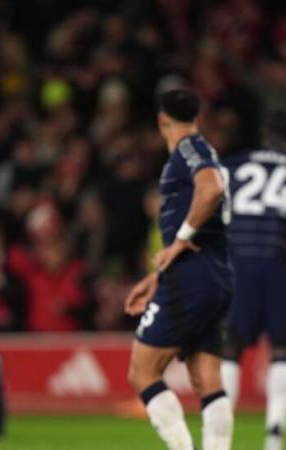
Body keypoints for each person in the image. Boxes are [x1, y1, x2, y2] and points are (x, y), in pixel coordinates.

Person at [125, 88, 234, 450]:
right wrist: (157, 277)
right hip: (213, 274)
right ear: (197, 117)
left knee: (142, 372)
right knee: (206, 380)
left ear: (161, 120)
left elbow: (211, 189)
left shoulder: (190, 148)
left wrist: (181, 238)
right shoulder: (205, 152)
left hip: (194, 275)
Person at [220, 111, 286, 450]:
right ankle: (274, 437)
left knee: (230, 348)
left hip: (238, 262)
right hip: (279, 262)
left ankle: (220, 437)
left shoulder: (230, 167)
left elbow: (214, 215)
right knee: (281, 350)